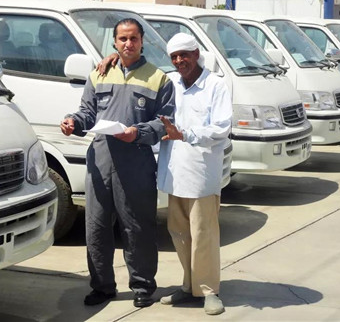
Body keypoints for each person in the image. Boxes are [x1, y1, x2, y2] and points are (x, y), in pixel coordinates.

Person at [60, 18, 175, 308]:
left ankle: (143, 286)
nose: (128, 43)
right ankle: (102, 286)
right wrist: (73, 122)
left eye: (133, 38)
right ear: (114, 42)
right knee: (96, 226)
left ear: (142, 41)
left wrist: (138, 132)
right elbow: (87, 112)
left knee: (138, 226)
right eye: (123, 39)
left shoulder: (158, 79)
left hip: (136, 161)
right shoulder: (99, 74)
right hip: (100, 160)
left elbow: (165, 123)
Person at [157, 33, 232, 316]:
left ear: (196, 54)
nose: (179, 61)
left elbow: (221, 128)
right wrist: (112, 58)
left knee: (203, 235)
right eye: (174, 57)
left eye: (184, 55)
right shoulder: (170, 83)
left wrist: (186, 134)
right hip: (175, 173)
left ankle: (209, 291)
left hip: (201, 175)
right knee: (179, 233)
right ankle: (188, 286)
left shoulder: (215, 85)